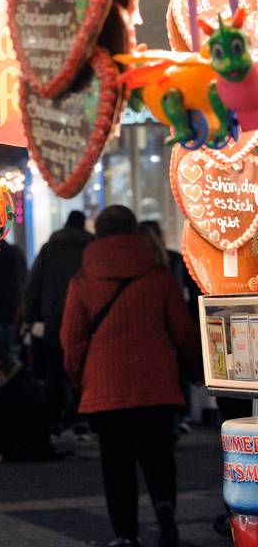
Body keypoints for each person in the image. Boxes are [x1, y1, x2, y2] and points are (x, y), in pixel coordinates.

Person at [62, 205, 198, 547]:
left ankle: (125, 534)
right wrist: (195, 369)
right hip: (157, 382)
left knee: (116, 463)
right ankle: (164, 505)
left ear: (99, 233)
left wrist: (79, 378)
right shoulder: (159, 277)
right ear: (134, 231)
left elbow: (72, 339)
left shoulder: (81, 280)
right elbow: (183, 331)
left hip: (105, 384)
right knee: (158, 454)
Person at [24, 210, 92, 427]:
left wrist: (29, 316)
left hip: (53, 315)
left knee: (55, 365)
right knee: (82, 364)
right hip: (86, 315)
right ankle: (81, 411)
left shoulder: (50, 248)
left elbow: (34, 284)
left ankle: (54, 413)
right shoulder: (91, 248)